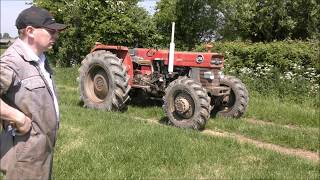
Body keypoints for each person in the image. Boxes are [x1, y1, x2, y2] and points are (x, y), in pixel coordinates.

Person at [0, 6, 66, 180]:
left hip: (41, 149)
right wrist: (17, 117)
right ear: (30, 31)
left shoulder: (40, 59)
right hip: (24, 155)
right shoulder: (12, 61)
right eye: (51, 31)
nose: (56, 36)